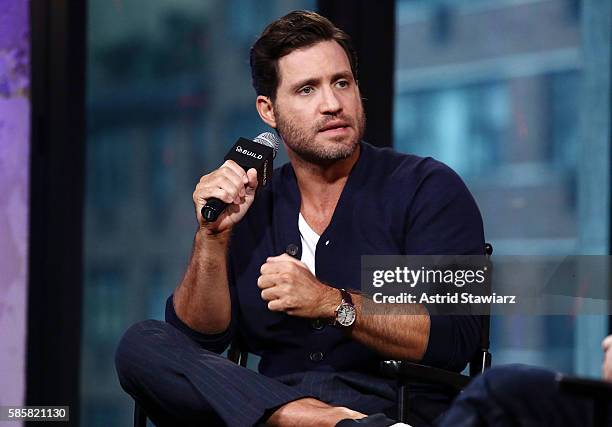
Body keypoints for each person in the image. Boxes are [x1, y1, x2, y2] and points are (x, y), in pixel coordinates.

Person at [115, 10, 485, 427]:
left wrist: (331, 303)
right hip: (279, 409)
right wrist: (212, 238)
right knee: (141, 344)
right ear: (268, 111)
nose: (332, 104)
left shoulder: (427, 188)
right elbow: (198, 339)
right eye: (307, 89)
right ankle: (316, 420)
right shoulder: (254, 202)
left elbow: (455, 339)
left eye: (341, 83)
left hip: (390, 410)